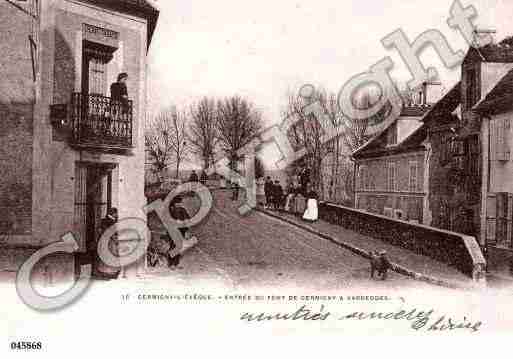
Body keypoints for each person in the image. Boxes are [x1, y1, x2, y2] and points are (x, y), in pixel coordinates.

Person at [95, 207, 121, 279]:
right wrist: (115, 239)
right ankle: (110, 273)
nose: (117, 215)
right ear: (114, 213)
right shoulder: (111, 221)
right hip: (110, 242)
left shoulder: (104, 220)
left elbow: (100, 231)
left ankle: (106, 272)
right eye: (116, 213)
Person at [167, 196, 191, 267]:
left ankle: (174, 263)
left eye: (180, 203)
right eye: (178, 203)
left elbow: (187, 220)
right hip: (175, 230)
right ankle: (172, 263)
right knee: (174, 246)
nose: (179, 204)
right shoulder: (172, 210)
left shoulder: (180, 210)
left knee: (177, 246)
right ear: (174, 203)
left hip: (179, 230)